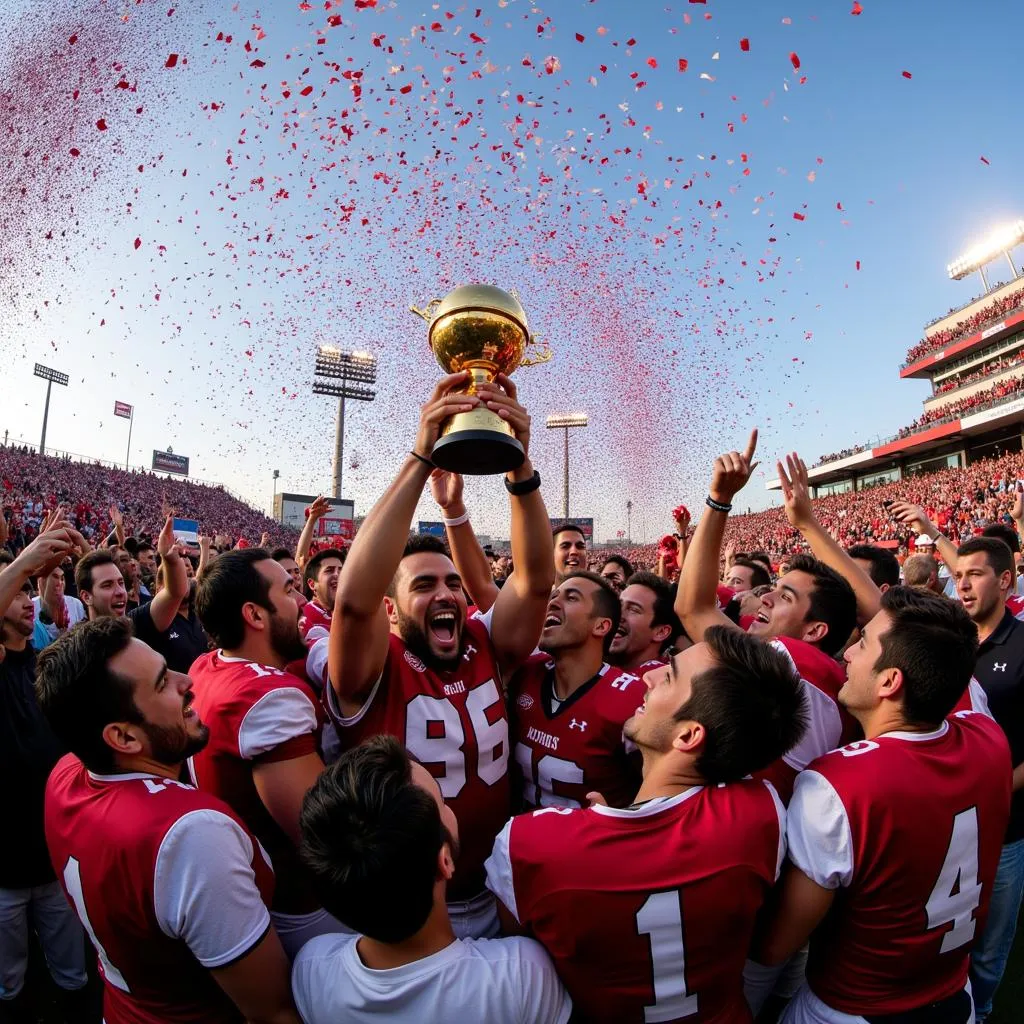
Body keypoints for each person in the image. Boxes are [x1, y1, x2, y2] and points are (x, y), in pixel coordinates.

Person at [310, 372, 554, 939]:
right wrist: (422, 455)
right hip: (407, 905)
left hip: (497, 886)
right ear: (390, 610)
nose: (445, 593)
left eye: (451, 581)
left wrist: (520, 463)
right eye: (422, 586)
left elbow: (537, 579)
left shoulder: (482, 642)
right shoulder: (371, 668)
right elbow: (351, 603)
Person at [486, 626, 806, 1023]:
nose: (647, 676)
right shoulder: (763, 814)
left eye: (669, 675)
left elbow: (525, 964)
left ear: (689, 735)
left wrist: (598, 828)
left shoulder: (532, 844)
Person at [756, 587, 1012, 1023]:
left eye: (862, 643)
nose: (849, 654)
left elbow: (775, 945)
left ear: (891, 681)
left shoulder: (838, 783)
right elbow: (945, 656)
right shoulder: (990, 739)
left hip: (852, 1008)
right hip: (953, 996)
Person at [36, 617, 300, 1024]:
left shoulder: (67, 774)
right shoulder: (191, 836)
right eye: (161, 683)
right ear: (123, 738)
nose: (186, 681)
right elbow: (272, 1009)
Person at [292, 736, 571, 1024]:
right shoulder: (521, 977)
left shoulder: (312, 969)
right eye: (441, 801)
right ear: (445, 861)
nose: (450, 808)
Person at [675, 435, 858, 797]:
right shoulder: (817, 678)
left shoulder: (797, 666)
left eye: (786, 595)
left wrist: (720, 499)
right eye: (775, 586)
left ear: (816, 630)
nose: (767, 598)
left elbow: (693, 608)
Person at [191, 549, 341, 958]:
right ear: (255, 616)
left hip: (250, 894)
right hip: (301, 907)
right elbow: (327, 836)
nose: (302, 605)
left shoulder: (206, 665)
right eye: (290, 590)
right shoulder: (269, 698)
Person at [0, 532, 90, 1022]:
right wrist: (24, 562)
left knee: (72, 976)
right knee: (10, 986)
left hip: (55, 858)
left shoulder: (42, 665)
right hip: (3, 874)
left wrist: (49, 583)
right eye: (16, 593)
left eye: (27, 591)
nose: (27, 601)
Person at [952, 536, 1024, 1020]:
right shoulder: (948, 640)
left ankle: (983, 1011)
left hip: (1005, 828)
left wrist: (995, 788)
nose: (962, 584)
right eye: (958, 575)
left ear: (1005, 580)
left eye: (974, 574)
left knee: (990, 948)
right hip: (949, 828)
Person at [510, 571, 644, 810]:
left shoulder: (631, 699)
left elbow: (661, 791)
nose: (553, 603)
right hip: (518, 840)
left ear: (601, 625)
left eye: (571, 598)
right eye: (553, 596)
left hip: (595, 843)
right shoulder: (525, 673)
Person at [77, 516, 188, 636]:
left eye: (121, 583)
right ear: (86, 597)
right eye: (107, 585)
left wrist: (170, 560)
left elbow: (175, 593)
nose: (120, 591)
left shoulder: (135, 623)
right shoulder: (75, 648)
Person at [133, 556, 209, 673]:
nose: (181, 585)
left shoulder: (198, 614)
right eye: (174, 582)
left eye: (186, 578)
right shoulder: (153, 621)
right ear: (159, 588)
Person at [609, 570, 682, 673]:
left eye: (633, 609)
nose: (618, 614)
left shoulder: (664, 683)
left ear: (661, 632)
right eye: (618, 605)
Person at [32, 563, 86, 645]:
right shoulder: (31, 606)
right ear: (41, 582)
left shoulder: (76, 604)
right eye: (55, 577)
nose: (60, 583)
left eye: (62, 578)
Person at [298, 549, 343, 642]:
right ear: (312, 584)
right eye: (329, 570)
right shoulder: (307, 621)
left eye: (341, 570)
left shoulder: (351, 613)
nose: (337, 574)